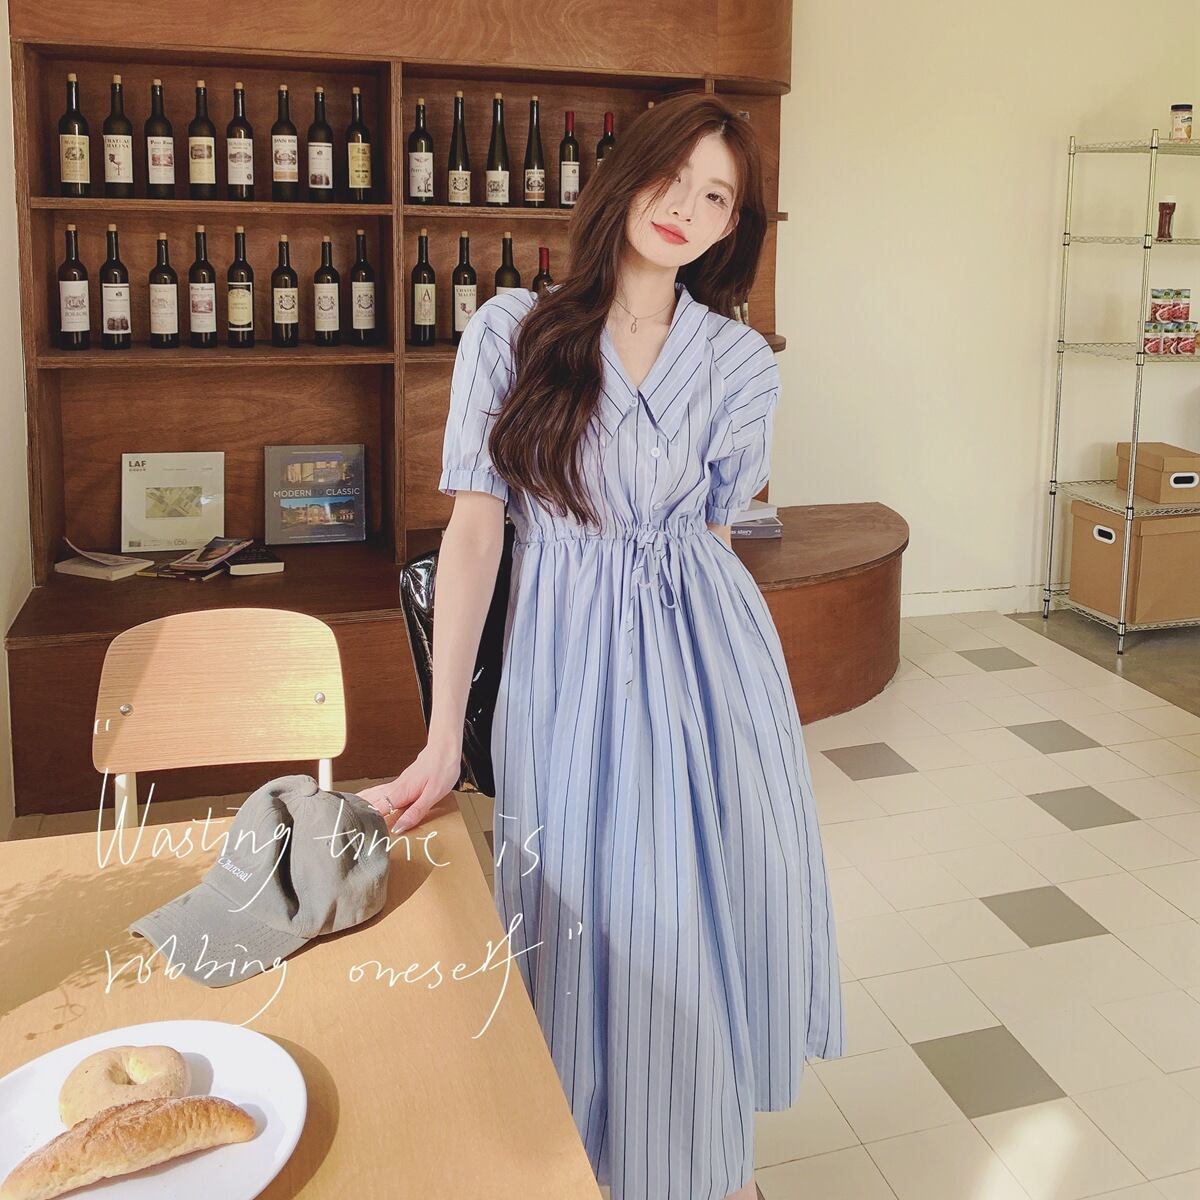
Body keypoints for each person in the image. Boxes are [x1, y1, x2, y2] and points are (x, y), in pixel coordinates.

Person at [360, 92, 846, 1200]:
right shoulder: (513, 330)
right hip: (565, 665)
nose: (686, 209)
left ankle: (705, 1169)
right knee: (578, 917)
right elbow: (475, 532)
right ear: (626, 176)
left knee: (696, 914)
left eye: (716, 197)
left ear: (733, 227)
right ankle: (581, 1164)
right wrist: (443, 735)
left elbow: (715, 535)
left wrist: (725, 700)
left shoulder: (741, 362)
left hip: (708, 668)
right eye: (674, 179)